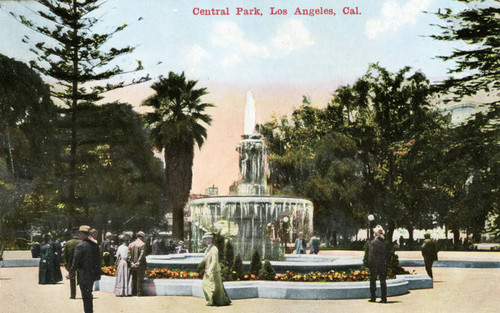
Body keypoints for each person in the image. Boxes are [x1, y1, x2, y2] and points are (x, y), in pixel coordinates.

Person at [68, 225, 101, 313]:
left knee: (86, 296)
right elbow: (98, 261)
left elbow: (75, 262)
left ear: (82, 234)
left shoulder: (80, 246)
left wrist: (71, 273)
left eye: (79, 234)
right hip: (92, 275)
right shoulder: (95, 245)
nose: (79, 236)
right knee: (89, 294)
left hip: (83, 275)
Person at [201, 232, 231, 306]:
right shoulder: (208, 249)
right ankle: (214, 301)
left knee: (216, 287)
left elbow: (214, 261)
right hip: (208, 270)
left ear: (211, 239)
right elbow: (208, 259)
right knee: (208, 285)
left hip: (214, 271)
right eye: (205, 239)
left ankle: (215, 301)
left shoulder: (214, 249)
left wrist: (210, 270)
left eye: (208, 239)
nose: (206, 240)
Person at [368, 226, 387, 303]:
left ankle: (373, 297)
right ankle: (384, 298)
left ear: (376, 233)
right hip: (382, 263)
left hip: (374, 264)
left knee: (373, 280)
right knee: (383, 280)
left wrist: (370, 264)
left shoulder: (373, 243)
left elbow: (371, 255)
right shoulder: (384, 243)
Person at [63, 228, 81, 299]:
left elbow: (65, 255)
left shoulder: (68, 243)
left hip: (71, 264)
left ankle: (73, 295)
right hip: (80, 264)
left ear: (72, 234)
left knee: (72, 280)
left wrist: (67, 265)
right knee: (81, 279)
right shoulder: (82, 242)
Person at [129, 231, 147, 296]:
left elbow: (129, 255)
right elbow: (142, 255)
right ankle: (139, 293)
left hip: (132, 264)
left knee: (133, 278)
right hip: (140, 265)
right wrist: (137, 263)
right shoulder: (143, 244)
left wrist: (131, 263)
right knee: (139, 279)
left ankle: (133, 292)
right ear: (142, 237)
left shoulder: (131, 244)